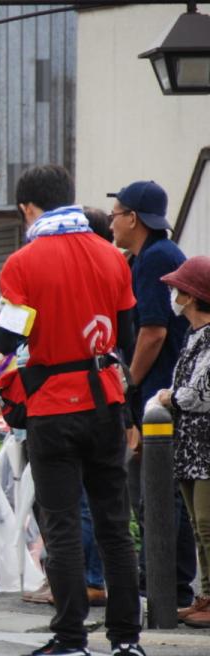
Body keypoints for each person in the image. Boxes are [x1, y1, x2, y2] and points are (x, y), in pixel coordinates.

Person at [0, 164, 146, 656]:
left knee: (60, 524)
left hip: (52, 406)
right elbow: (125, 335)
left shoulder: (22, 262)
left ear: (26, 208)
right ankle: (128, 641)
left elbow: (7, 341)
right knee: (114, 524)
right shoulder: (113, 257)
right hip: (106, 400)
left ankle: (70, 640)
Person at [110, 179, 198, 610]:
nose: (112, 220)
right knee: (161, 492)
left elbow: (153, 331)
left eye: (116, 212)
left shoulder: (155, 258)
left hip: (162, 392)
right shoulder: (149, 256)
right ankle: (169, 584)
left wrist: (129, 382)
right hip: (166, 389)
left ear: (134, 218)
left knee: (160, 492)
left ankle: (172, 587)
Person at [156, 255, 210, 628]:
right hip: (190, 443)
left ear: (191, 296)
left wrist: (168, 398)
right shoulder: (193, 336)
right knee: (196, 523)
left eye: (179, 288)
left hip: (204, 443)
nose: (173, 294)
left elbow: (198, 393)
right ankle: (204, 593)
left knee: (207, 521)